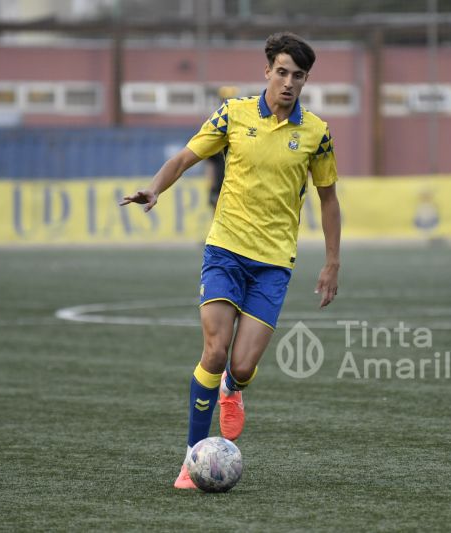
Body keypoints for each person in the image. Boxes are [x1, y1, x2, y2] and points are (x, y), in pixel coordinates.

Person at [120, 32, 342, 489]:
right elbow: (185, 155)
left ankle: (232, 391)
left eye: (297, 76)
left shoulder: (316, 133)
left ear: (305, 81)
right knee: (215, 351)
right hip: (225, 250)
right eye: (281, 72)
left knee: (240, 367)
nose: (288, 83)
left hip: (274, 262)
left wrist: (332, 261)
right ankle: (190, 458)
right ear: (267, 71)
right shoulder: (233, 114)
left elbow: (328, 198)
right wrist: (156, 187)